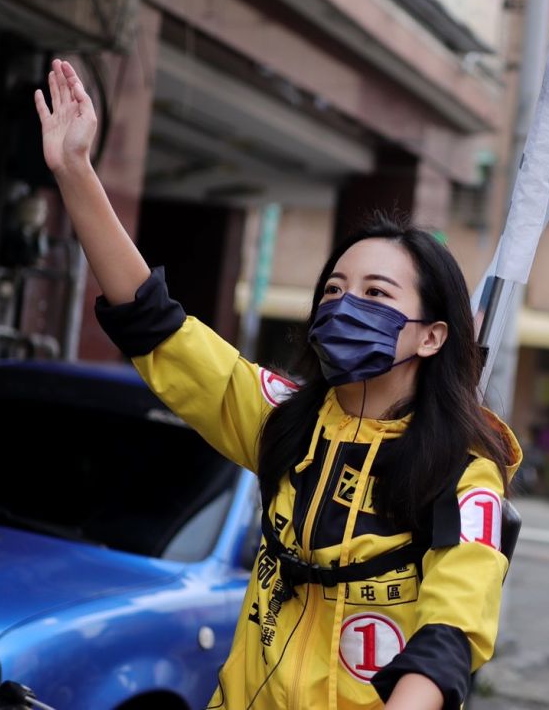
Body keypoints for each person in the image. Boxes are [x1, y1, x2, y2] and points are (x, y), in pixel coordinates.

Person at [35, 60, 520, 709]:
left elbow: (451, 631)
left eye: (377, 294)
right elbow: (155, 326)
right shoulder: (282, 419)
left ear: (431, 335)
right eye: (334, 290)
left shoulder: (462, 473)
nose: (346, 306)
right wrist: (75, 172)